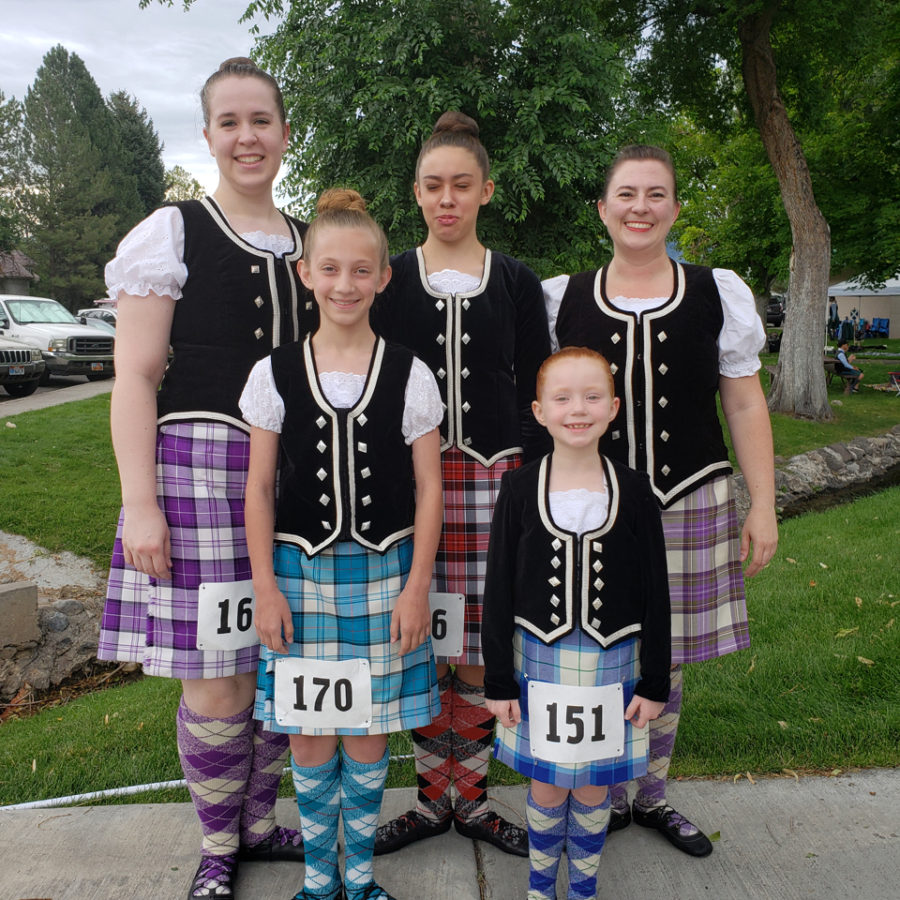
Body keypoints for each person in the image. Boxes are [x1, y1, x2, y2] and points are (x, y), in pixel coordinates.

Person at [97, 58, 317, 899]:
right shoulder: (172, 232)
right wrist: (139, 504)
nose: (247, 136)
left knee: (274, 658)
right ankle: (219, 843)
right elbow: (135, 379)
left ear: (286, 132)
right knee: (216, 672)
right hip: (196, 472)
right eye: (229, 122)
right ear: (209, 135)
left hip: (293, 475)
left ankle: (260, 826)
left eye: (261, 119)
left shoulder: (308, 247)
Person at [543, 144, 778, 858]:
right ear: (603, 210)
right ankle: (605, 793)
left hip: (690, 493)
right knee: (599, 644)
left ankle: (651, 795)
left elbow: (742, 401)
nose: (640, 207)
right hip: (596, 499)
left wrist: (762, 501)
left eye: (655, 195)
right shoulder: (565, 297)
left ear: (675, 208)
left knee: (664, 655)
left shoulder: (717, 291)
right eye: (626, 194)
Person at [241, 188, 444, 900]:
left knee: (366, 737)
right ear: (306, 273)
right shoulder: (274, 372)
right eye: (330, 269)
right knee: (309, 737)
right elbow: (259, 490)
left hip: (386, 576)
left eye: (361, 271)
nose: (345, 284)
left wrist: (417, 586)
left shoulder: (411, 373)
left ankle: (359, 877)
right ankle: (318, 881)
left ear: (384, 277)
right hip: (298, 579)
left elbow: (429, 491)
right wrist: (265, 586)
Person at [371, 111, 552, 858]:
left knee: (478, 645)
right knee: (418, 642)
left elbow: (534, 392)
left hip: (495, 480)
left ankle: (470, 800)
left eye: (462, 185)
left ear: (486, 191)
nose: (448, 198)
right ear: (415, 192)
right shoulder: (390, 277)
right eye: (434, 185)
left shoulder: (514, 279)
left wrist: (534, 486)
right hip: (408, 482)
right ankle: (426, 797)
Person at [482, 347, 671, 900]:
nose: (577, 409)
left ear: (613, 408)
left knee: (593, 784)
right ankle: (541, 889)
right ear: (539, 411)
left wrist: (654, 681)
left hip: (614, 661)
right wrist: (498, 680)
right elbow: (498, 589)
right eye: (562, 398)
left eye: (592, 396)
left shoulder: (635, 491)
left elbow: (656, 594)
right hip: (537, 661)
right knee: (547, 780)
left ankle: (583, 888)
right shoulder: (518, 488)